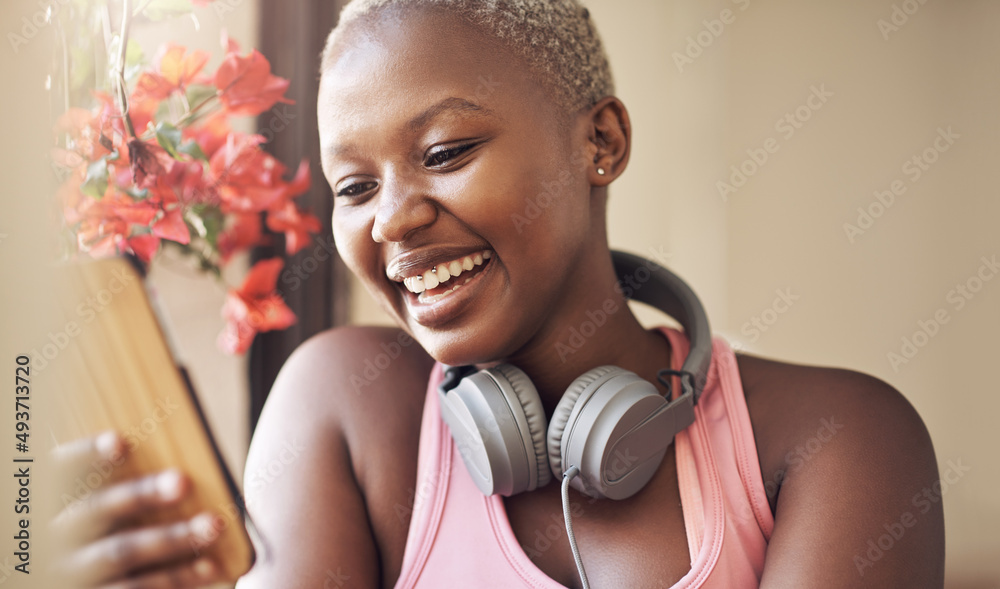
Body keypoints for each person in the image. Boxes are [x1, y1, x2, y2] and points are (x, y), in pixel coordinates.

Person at [53, 1, 945, 587]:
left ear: (599, 141)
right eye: (353, 188)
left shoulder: (842, 438)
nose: (392, 221)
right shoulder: (342, 408)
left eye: (443, 154)